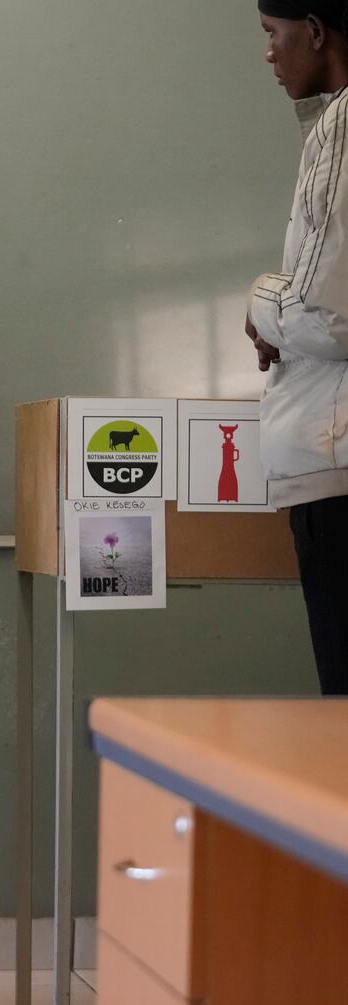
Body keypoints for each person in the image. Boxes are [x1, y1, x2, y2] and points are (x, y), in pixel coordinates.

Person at [248, 1, 348, 694]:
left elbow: (328, 316)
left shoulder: (344, 123)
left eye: (272, 35)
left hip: (339, 471)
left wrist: (259, 302)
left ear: (314, 31)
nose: (270, 53)